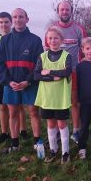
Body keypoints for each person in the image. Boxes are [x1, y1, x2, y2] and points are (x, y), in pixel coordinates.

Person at [0, 8, 43, 154]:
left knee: (33, 112)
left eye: (21, 17)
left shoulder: (35, 40)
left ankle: (37, 142)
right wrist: (8, 82)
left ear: (27, 19)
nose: (17, 19)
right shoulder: (5, 40)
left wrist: (28, 81)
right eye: (14, 17)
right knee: (13, 113)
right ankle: (15, 144)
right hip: (11, 84)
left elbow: (39, 64)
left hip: (30, 83)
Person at [48, 0, 87, 144]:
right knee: (56, 103)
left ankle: (76, 131)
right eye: (62, 9)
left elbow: (84, 50)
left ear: (71, 11)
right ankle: (57, 131)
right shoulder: (52, 30)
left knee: (75, 102)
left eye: (67, 9)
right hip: (55, 74)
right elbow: (47, 51)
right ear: (58, 11)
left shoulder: (79, 29)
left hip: (74, 72)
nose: (64, 12)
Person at [0, 12, 28, 145]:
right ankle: (4, 132)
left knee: (19, 106)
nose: (4, 25)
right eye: (1, 22)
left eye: (6, 22)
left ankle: (22, 130)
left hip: (16, 77)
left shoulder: (16, 38)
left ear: (11, 23)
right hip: (1, 78)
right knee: (3, 106)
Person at [34, 26, 72, 164]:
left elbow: (66, 72)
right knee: (50, 124)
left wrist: (49, 71)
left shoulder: (67, 56)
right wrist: (53, 77)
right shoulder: (42, 56)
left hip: (60, 97)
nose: (53, 40)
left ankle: (66, 152)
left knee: (61, 124)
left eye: (56, 38)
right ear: (47, 40)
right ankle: (53, 150)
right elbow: (36, 75)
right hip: (47, 98)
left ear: (61, 40)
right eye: (50, 38)